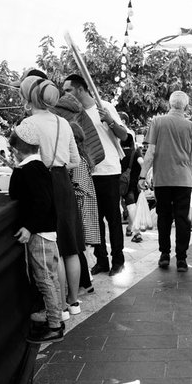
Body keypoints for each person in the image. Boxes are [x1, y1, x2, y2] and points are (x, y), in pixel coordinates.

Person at [17, 75, 84, 317]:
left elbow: (19, 160)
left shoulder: (26, 125)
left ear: (28, 96)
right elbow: (75, 161)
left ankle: (60, 307)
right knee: (71, 246)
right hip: (63, 183)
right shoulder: (63, 123)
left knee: (52, 246)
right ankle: (74, 303)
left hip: (41, 183)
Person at [62, 73, 129, 276]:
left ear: (80, 89)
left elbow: (124, 135)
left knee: (113, 218)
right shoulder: (74, 113)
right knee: (94, 219)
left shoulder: (104, 106)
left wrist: (110, 121)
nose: (64, 94)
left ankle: (118, 259)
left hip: (108, 170)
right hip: (87, 172)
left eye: (68, 90)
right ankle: (102, 260)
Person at [8, 124, 65, 344]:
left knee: (44, 279)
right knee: (50, 278)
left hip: (40, 234)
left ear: (17, 149)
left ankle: (54, 324)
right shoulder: (39, 167)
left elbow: (40, 202)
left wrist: (29, 227)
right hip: (47, 232)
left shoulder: (28, 170)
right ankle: (55, 315)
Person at [138, 91, 192, 272]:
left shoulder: (157, 122)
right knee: (183, 219)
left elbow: (150, 152)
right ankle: (181, 259)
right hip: (183, 180)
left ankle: (164, 254)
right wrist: (188, 174)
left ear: (170, 104)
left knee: (164, 217)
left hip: (162, 179)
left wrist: (143, 175)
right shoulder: (191, 127)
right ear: (185, 106)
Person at [68, 120, 101, 294]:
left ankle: (84, 283)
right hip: (81, 209)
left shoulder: (78, 161)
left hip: (81, 210)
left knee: (79, 248)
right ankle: (85, 281)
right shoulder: (81, 158)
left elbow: (79, 187)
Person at [120, 132, 145, 243]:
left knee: (131, 207)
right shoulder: (135, 153)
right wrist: (144, 176)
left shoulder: (119, 153)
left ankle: (130, 229)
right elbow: (142, 163)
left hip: (122, 184)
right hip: (135, 185)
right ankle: (136, 232)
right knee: (132, 207)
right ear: (132, 142)